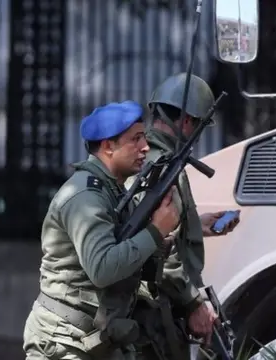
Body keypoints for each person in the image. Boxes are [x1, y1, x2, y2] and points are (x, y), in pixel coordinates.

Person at [23, 100, 180, 360]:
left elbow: (129, 262)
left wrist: (159, 243)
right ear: (108, 146)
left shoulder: (115, 191)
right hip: (64, 344)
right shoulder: (86, 196)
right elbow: (103, 269)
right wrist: (154, 231)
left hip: (96, 340)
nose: (145, 147)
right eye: (136, 139)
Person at [130, 73, 241, 360]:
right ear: (188, 122)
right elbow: (160, 247)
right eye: (199, 126)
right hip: (152, 306)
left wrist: (197, 225)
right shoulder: (162, 168)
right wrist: (193, 303)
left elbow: (161, 226)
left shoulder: (151, 159)